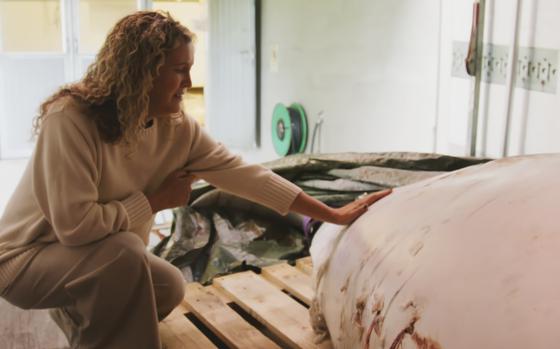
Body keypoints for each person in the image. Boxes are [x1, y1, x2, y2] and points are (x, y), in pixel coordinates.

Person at [0, 10, 391, 349]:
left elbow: (248, 176)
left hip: (94, 259)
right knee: (122, 253)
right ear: (142, 73)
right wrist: (153, 202)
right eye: (179, 70)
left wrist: (331, 214)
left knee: (168, 288)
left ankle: (83, 319)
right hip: (24, 260)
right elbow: (74, 227)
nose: (189, 82)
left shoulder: (177, 130)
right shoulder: (70, 120)